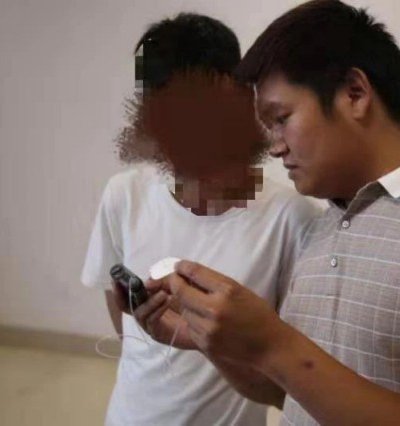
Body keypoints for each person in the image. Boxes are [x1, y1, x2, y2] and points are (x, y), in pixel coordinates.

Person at [135, 1, 400, 425]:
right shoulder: (325, 225)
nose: (274, 145)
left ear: (355, 93)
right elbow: (294, 395)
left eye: (280, 118)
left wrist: (272, 342)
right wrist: (212, 339)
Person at [80, 12, 320, 426]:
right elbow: (119, 310)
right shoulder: (124, 195)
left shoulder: (291, 219)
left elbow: (293, 365)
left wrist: (204, 340)